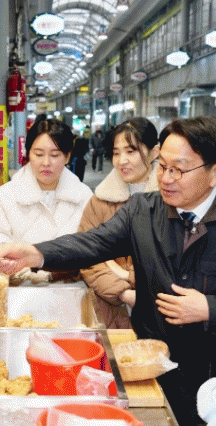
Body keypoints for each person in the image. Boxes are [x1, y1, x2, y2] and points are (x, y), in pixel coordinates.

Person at [0, 116, 216, 426]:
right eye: (162, 167)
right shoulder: (142, 212)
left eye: (179, 170)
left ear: (215, 172)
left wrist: (211, 308)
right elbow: (92, 243)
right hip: (156, 369)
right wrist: (34, 253)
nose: (166, 178)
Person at [0, 117, 93, 285]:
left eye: (55, 155)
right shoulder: (3, 197)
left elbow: (92, 251)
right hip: (19, 292)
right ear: (28, 154)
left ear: (67, 156)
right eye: (39, 154)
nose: (46, 163)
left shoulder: (85, 197)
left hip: (73, 291)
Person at [78, 117, 159, 329]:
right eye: (116, 153)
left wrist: (127, 274)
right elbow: (87, 258)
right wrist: (123, 292)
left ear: (154, 152)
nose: (122, 160)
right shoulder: (100, 201)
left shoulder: (171, 200)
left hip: (163, 314)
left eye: (131, 151)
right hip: (114, 313)